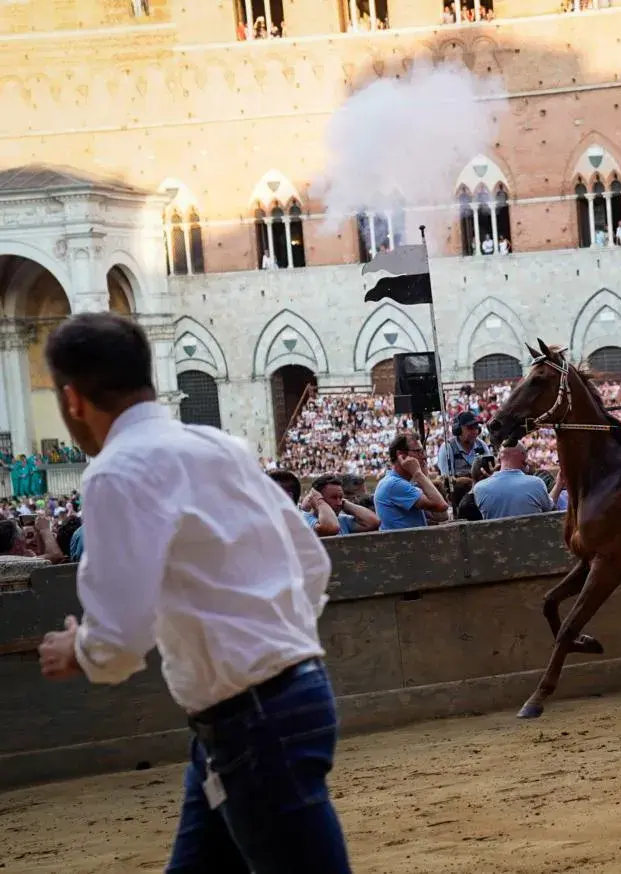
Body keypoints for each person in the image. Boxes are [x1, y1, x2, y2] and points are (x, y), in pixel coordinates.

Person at [35, 313, 352, 874]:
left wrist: (78, 650)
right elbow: (309, 562)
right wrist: (275, 640)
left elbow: (120, 638)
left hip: (248, 717)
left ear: (73, 400)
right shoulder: (217, 445)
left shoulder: (115, 473)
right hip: (279, 699)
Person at [373, 431, 449, 530]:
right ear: (401, 455)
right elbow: (442, 505)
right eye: (418, 451)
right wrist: (419, 474)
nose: (424, 456)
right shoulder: (394, 484)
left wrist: (424, 476)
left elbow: (442, 516)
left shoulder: (405, 484)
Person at [472, 445, 554, 519]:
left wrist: (491, 478)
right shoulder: (537, 483)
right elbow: (551, 510)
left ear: (499, 460)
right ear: (524, 460)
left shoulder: (479, 488)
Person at [436, 410, 491, 478]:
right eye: (470, 428)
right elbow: (448, 481)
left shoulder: (482, 445)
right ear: (458, 430)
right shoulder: (447, 448)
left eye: (476, 427)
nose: (475, 432)